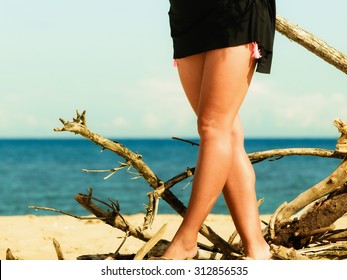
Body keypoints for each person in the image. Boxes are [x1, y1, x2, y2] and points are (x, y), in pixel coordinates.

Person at [162, 0, 276, 260]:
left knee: (212, 126)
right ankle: (257, 247)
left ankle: (186, 240)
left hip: (236, 9)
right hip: (187, 12)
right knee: (227, 133)